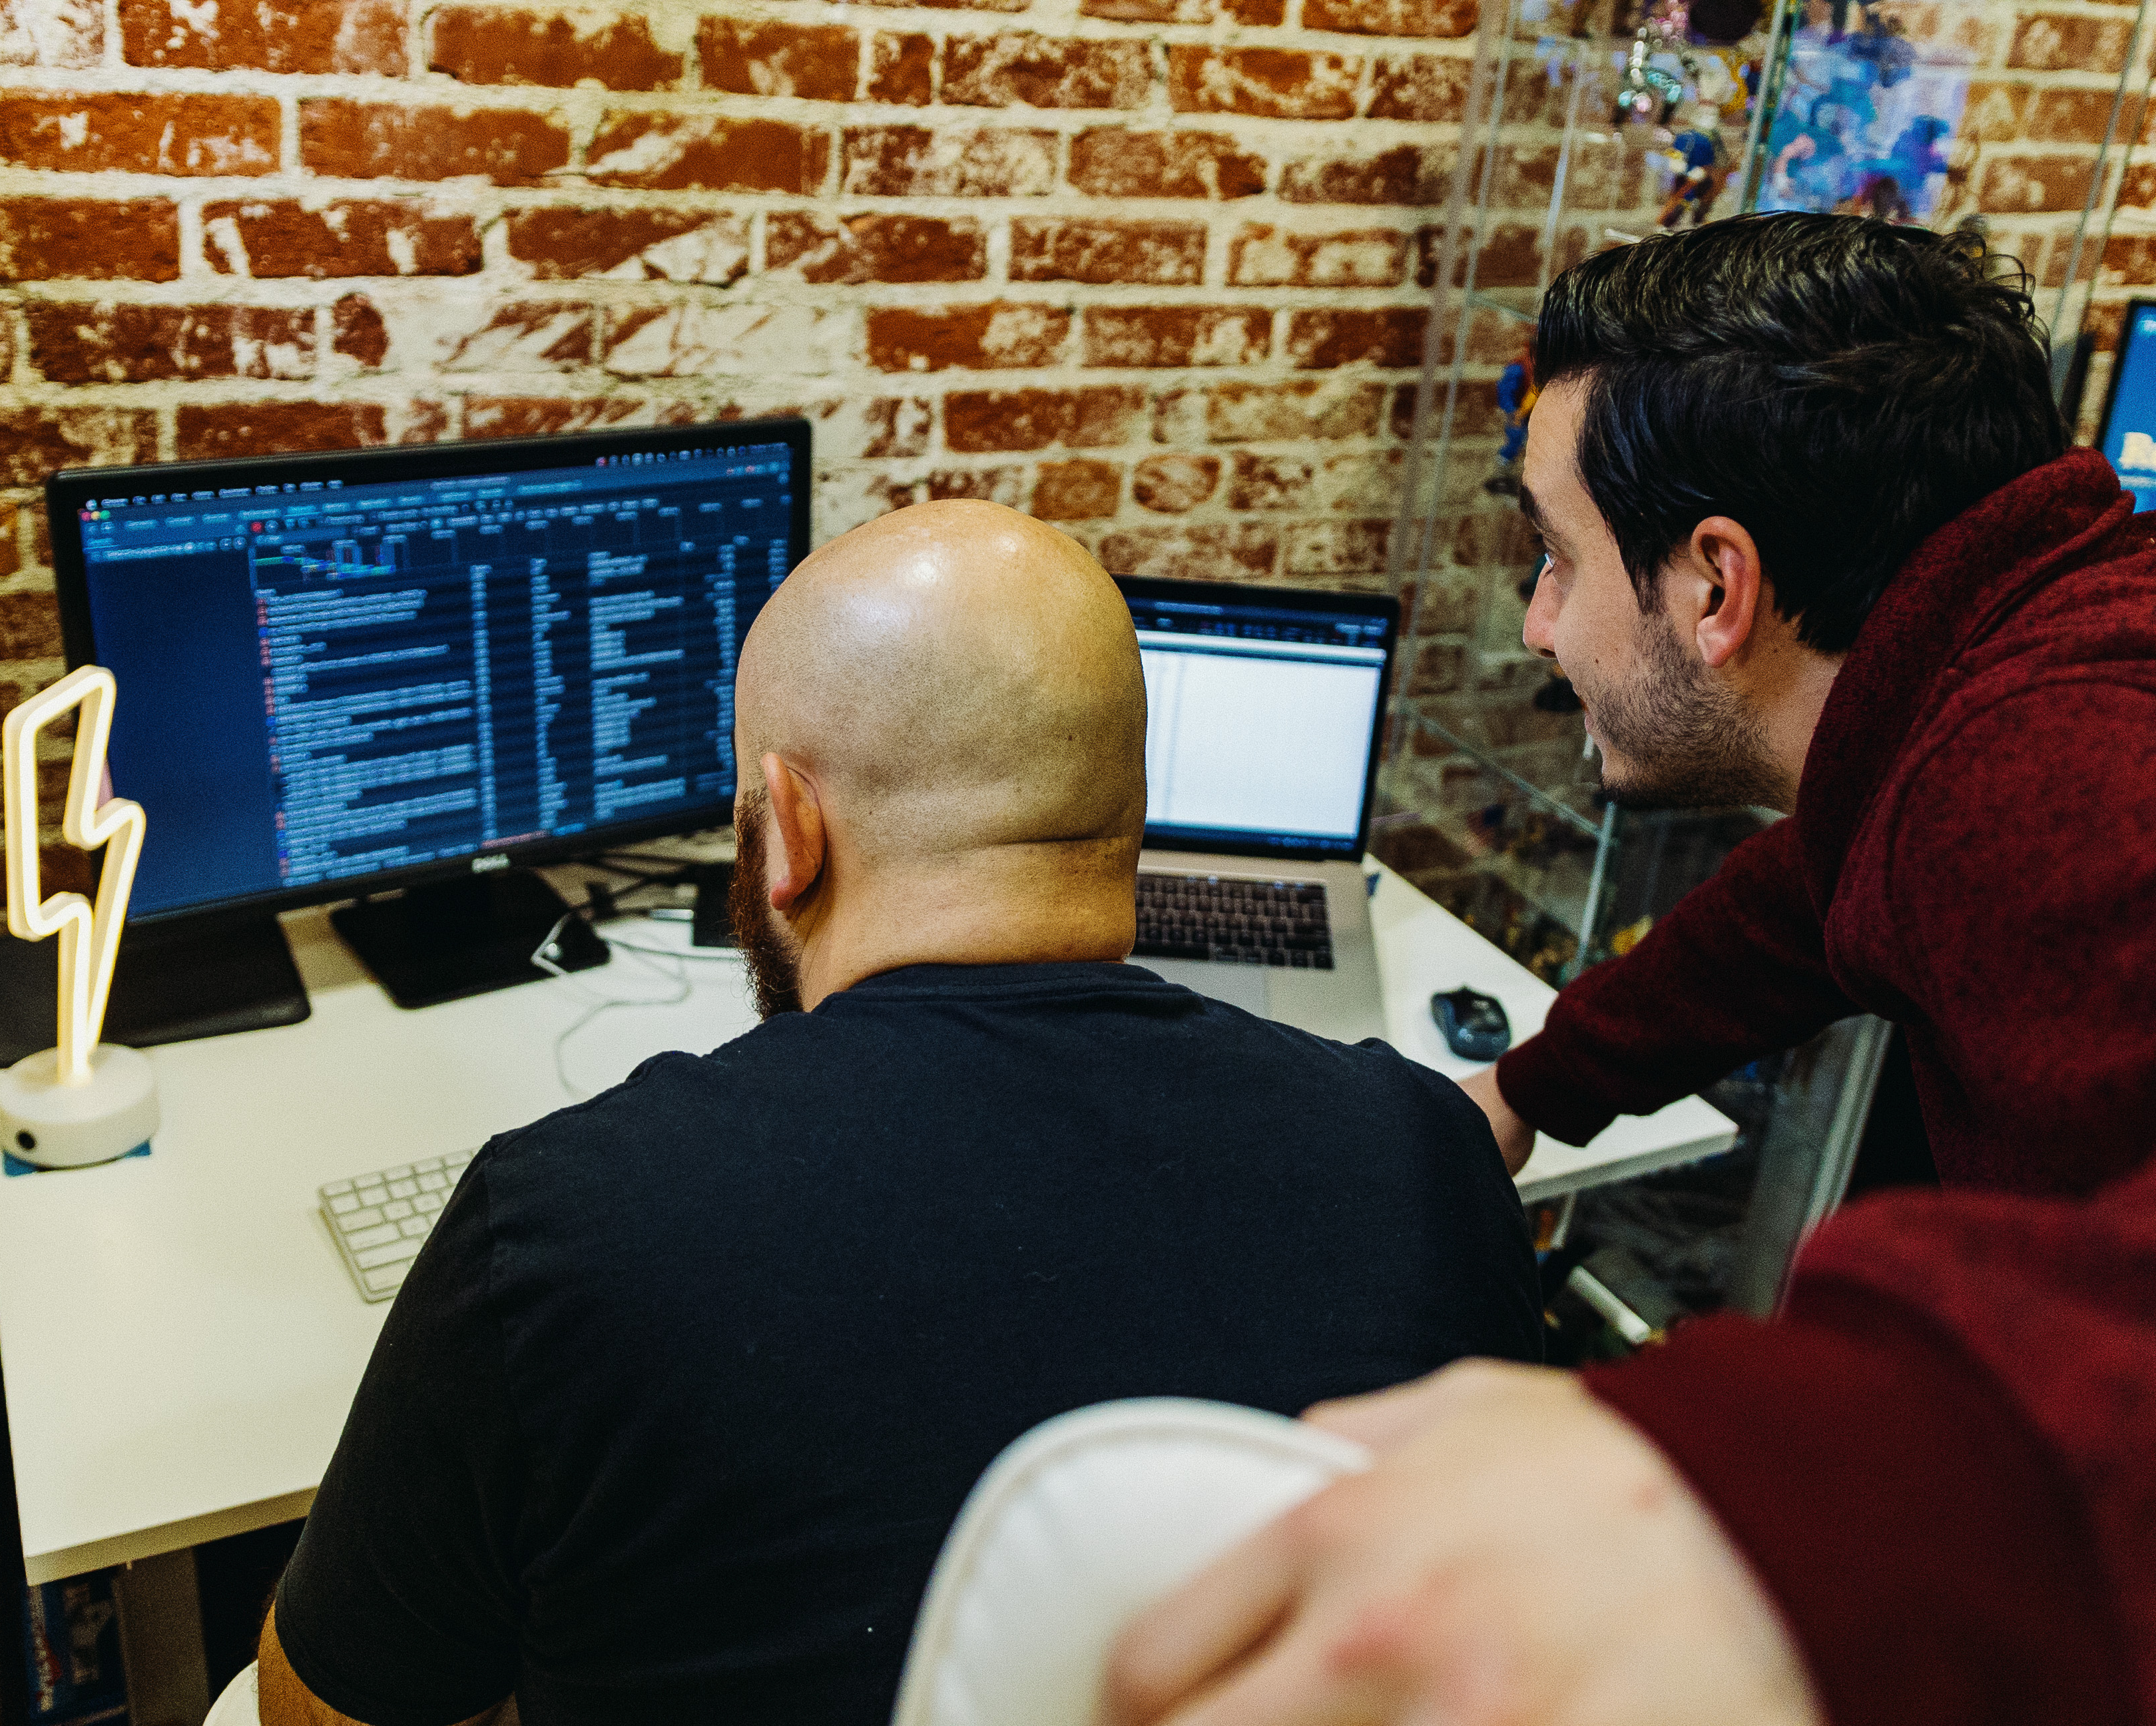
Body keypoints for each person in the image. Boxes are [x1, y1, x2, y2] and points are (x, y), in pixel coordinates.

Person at [1108, 213, 2156, 1726]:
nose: (1535, 624)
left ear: (1716, 588)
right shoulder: (2088, 634)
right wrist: (1533, 1084)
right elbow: (1821, 876)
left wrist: (1757, 1502)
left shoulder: (2035, 765)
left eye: (1557, 561)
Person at [252, 499, 1543, 1725]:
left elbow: (331, 1704)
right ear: (1124, 814)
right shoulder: (1426, 1150)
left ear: (789, 834)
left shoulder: (558, 1229)